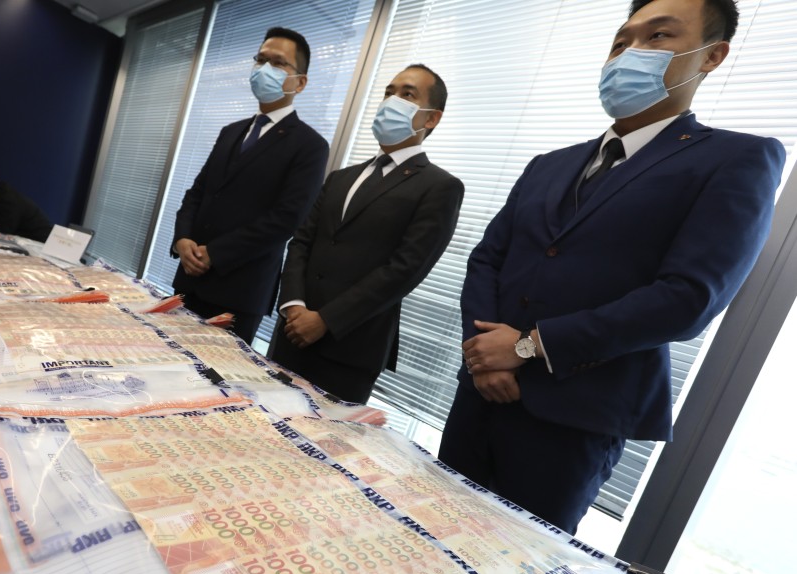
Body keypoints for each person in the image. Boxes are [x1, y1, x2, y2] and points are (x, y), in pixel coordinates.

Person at [438, 0, 785, 534]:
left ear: (712, 56)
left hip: (574, 419)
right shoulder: (549, 164)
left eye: (658, 37)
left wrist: (529, 346)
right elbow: (488, 259)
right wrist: (486, 357)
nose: (629, 54)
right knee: (427, 540)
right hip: (480, 395)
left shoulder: (735, 160)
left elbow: (687, 298)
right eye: (621, 42)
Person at [269, 65, 464, 404]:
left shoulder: (439, 186)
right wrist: (293, 305)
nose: (392, 101)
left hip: (349, 348)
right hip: (291, 333)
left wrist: (325, 320)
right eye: (389, 92)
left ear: (431, 118)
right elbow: (302, 242)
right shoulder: (341, 177)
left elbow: (404, 270)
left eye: (407, 94)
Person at [171, 27, 329, 345]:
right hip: (188, 280)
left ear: (300, 82)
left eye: (278, 63)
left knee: (210, 385)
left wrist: (214, 254)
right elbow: (198, 192)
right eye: (260, 59)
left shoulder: (310, 145)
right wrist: (182, 239)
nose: (264, 69)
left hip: (238, 291)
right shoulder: (231, 131)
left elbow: (287, 219)